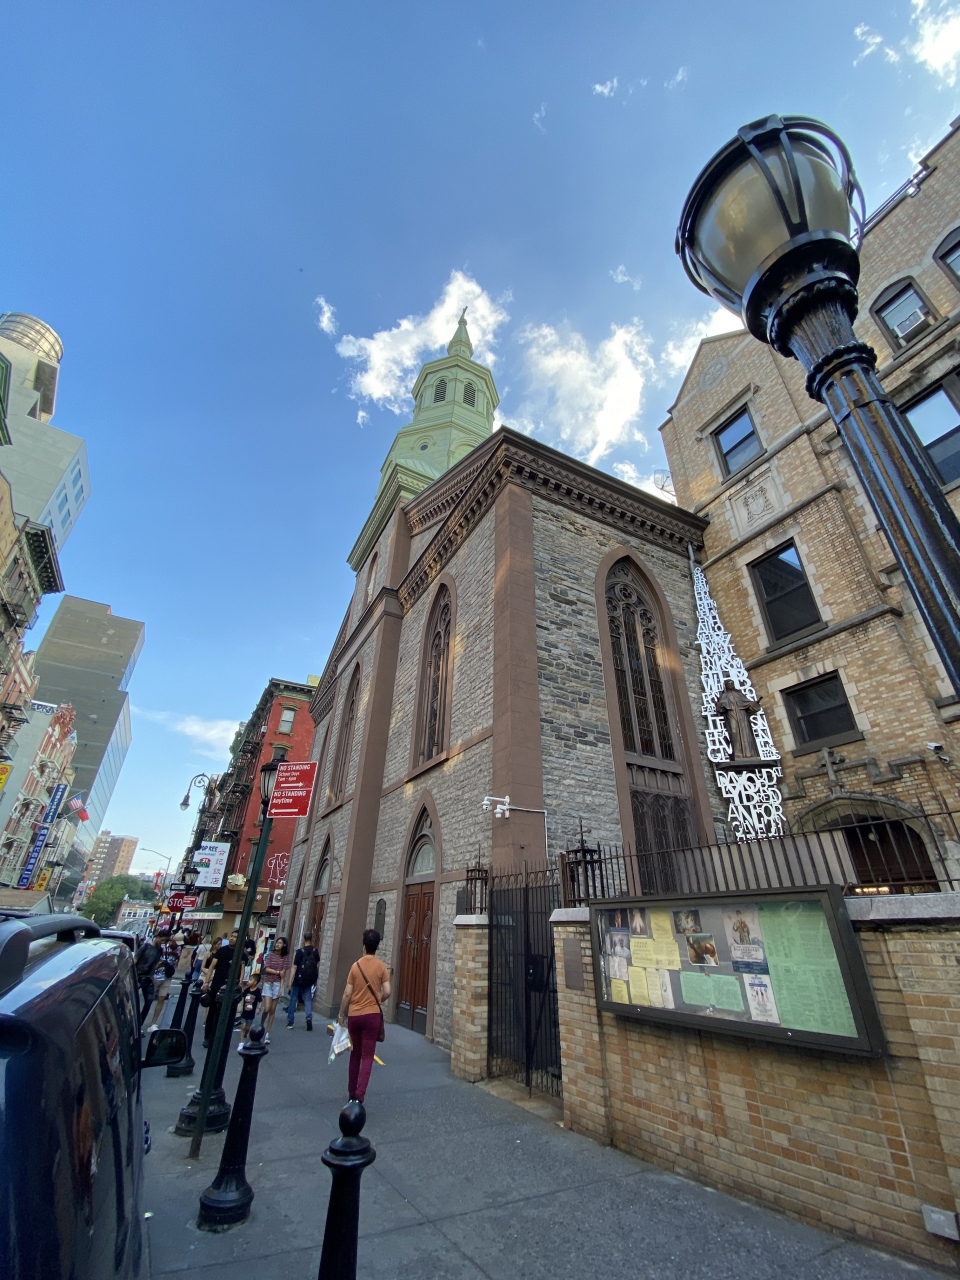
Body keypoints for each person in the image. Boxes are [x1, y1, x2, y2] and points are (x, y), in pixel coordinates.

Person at [337, 929, 390, 1105]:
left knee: (355, 1055)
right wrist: (378, 1000)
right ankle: (359, 1097)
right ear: (377, 946)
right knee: (368, 1057)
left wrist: (341, 1014)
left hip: (355, 1015)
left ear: (364, 946)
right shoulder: (381, 967)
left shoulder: (355, 966)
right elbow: (387, 991)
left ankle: (351, 1093)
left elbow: (347, 993)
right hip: (372, 1016)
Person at [202, 929, 238, 1047]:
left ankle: (219, 1037)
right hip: (217, 984)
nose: (232, 938)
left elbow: (242, 970)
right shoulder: (222, 950)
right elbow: (212, 966)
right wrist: (207, 982)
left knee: (225, 1013)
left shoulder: (239, 953)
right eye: (231, 936)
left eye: (235, 937)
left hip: (230, 987)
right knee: (212, 1011)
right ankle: (208, 1037)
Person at [146, 932, 180, 1031]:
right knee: (149, 999)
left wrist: (172, 969)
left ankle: (153, 1022)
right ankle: (143, 1019)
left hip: (167, 977)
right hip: (156, 976)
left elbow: (175, 961)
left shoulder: (178, 949)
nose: (177, 945)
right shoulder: (162, 947)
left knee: (162, 998)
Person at [286, 933, 320, 1030]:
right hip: (309, 979)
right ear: (311, 939)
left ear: (303, 940)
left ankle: (290, 1021)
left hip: (298, 979)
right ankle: (308, 1016)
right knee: (308, 999)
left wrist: (290, 980)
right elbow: (317, 965)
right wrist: (314, 977)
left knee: (293, 999)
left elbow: (294, 966)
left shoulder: (300, 951)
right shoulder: (315, 951)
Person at [259, 937, 290, 1043]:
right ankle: (261, 1025)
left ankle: (267, 1032)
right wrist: (277, 972)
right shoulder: (271, 955)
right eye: (277, 942)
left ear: (284, 945)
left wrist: (281, 988)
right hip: (268, 983)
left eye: (280, 943)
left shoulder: (285, 958)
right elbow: (266, 968)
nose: (277, 944)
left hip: (277, 984)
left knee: (272, 1009)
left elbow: (283, 975)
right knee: (267, 1008)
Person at [238, 971, 263, 1047]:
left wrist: (258, 1008)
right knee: (243, 1026)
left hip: (251, 1013)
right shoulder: (246, 990)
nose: (248, 981)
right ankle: (241, 1043)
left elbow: (260, 1000)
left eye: (250, 980)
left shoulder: (257, 991)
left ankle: (246, 1033)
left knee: (247, 1028)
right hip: (244, 1012)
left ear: (255, 982)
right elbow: (241, 996)